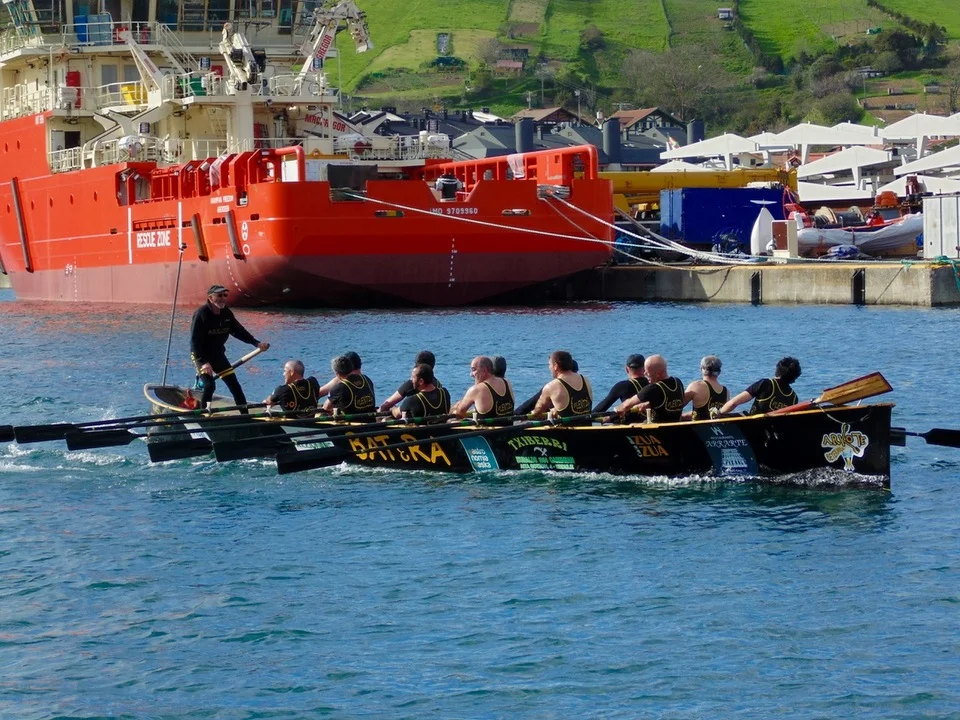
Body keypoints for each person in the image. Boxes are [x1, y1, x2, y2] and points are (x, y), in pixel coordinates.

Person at [190, 284, 269, 412]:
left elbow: (239, 331)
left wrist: (256, 343)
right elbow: (194, 342)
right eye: (219, 295)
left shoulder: (226, 313)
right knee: (210, 385)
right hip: (201, 356)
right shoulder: (201, 314)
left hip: (218, 355)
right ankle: (204, 413)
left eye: (225, 295)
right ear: (210, 298)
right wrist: (203, 362)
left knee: (235, 386)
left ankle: (245, 416)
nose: (223, 298)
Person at [720, 356, 801, 415]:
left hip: (753, 428)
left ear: (777, 369)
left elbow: (733, 403)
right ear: (795, 376)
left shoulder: (766, 384)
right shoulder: (794, 398)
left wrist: (719, 412)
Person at [617, 355, 685, 423]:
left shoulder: (653, 388)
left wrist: (618, 409)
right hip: (676, 425)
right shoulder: (678, 382)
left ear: (658, 374)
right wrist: (647, 404)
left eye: (647, 372)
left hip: (658, 428)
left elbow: (626, 405)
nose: (644, 374)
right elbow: (664, 401)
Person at [531, 350, 593, 424]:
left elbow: (537, 412)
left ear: (555, 366)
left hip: (566, 430)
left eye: (549, 365)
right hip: (587, 427)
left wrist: (534, 412)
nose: (549, 368)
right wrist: (557, 409)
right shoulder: (585, 380)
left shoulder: (551, 386)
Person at [451, 356, 515, 424]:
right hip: (509, 429)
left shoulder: (476, 389)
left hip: (486, 430)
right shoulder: (507, 383)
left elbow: (459, 413)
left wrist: (455, 408)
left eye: (473, 370)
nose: (471, 374)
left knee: (450, 420)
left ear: (484, 370)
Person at [683, 355, 729, 421]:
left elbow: (677, 407)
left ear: (701, 369)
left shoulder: (696, 386)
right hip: (717, 426)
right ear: (719, 372)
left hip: (699, 426)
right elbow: (708, 412)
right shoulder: (726, 391)